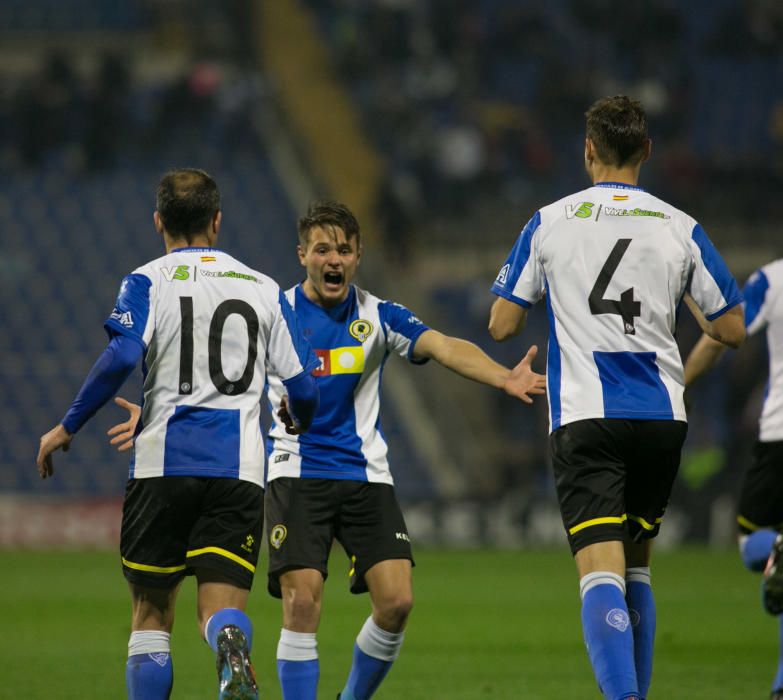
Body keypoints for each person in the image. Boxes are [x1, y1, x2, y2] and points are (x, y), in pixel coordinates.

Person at [111, 199, 546, 700]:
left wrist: (502, 375)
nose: (333, 259)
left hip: (366, 477)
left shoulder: (379, 315)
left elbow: (444, 345)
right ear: (303, 255)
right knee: (302, 606)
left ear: (358, 256)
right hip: (295, 475)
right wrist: (156, 412)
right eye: (322, 249)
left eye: (343, 249)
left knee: (397, 601)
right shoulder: (275, 309)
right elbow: (215, 373)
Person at [487, 95, 745, 700]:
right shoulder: (679, 226)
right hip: (661, 419)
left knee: (598, 571)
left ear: (587, 151)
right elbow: (730, 327)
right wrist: (678, 290)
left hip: (587, 417)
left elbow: (501, 324)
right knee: (636, 567)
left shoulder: (550, 221)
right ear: (647, 153)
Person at [36, 168, 320, 700]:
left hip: (161, 468)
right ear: (217, 221)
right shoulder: (262, 288)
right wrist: (296, 418)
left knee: (151, 616)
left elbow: (122, 354)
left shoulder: (147, 280)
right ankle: (229, 645)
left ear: (158, 222)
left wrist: (66, 425)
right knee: (222, 610)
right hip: (238, 472)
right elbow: (303, 388)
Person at [684, 259, 783, 700]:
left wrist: (678, 382)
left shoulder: (773, 278)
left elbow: (723, 334)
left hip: (780, 435)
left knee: (753, 546)